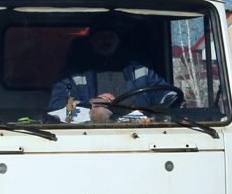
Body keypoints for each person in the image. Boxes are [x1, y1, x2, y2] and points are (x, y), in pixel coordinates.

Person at [47, 22, 180, 123]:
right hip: (91, 131)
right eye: (100, 36)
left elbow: (159, 91)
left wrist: (173, 98)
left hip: (140, 128)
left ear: (117, 41)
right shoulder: (74, 72)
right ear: (91, 41)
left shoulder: (139, 68)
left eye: (111, 36)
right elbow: (57, 104)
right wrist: (91, 104)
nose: (106, 40)